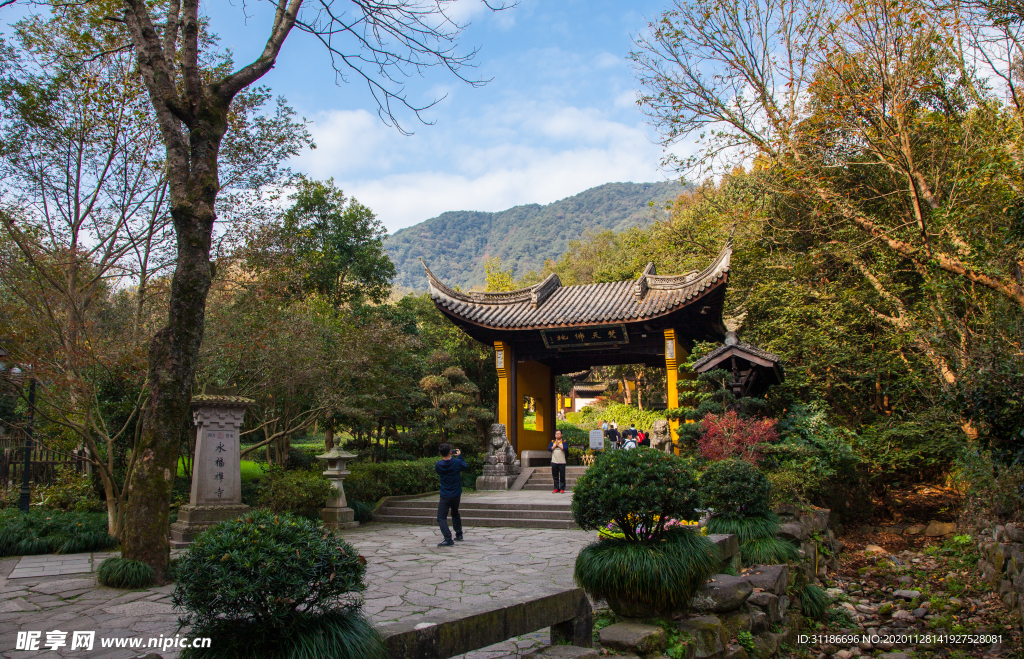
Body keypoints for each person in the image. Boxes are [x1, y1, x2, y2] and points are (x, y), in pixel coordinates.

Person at [435, 443, 467, 547]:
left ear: (440, 453)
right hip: (456, 493)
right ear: (450, 452)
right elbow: (464, 466)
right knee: (455, 513)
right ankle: (459, 534)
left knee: (441, 517)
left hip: (445, 494)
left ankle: (448, 538)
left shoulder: (438, 465)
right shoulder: (456, 462)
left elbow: (439, 472)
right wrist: (459, 456)